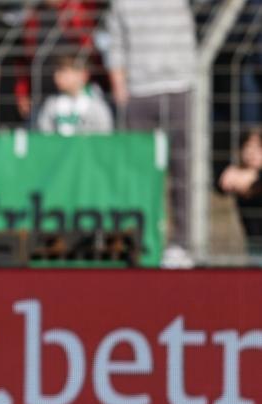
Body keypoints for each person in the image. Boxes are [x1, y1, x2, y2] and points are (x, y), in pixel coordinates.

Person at [105, 0, 196, 268]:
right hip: (137, 90)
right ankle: (139, 238)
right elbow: (115, 42)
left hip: (180, 85)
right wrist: (119, 85)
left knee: (182, 169)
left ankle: (182, 243)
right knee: (136, 171)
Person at [36, 53, 112, 135]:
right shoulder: (51, 103)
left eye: (63, 71)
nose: (56, 75)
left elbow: (105, 135)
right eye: (56, 71)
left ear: (82, 74)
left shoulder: (96, 104)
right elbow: (44, 134)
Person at [219, 129, 262, 255]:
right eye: (248, 146)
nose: (252, 152)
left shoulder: (241, 175)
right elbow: (223, 183)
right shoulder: (237, 172)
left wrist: (249, 177)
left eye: (258, 147)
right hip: (254, 242)